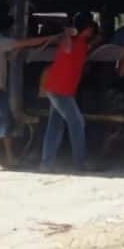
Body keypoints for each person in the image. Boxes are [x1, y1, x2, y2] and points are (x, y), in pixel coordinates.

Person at [0, 17, 57, 171]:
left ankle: (10, 158)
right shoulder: (0, 41)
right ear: (6, 30)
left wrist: (17, 50)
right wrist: (50, 38)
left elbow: (10, 56)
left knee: (5, 123)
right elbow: (28, 42)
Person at [40, 12, 99, 172]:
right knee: (77, 123)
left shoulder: (80, 43)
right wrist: (66, 31)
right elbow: (68, 46)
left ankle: (46, 163)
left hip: (58, 89)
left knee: (55, 126)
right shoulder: (71, 42)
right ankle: (80, 161)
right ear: (86, 29)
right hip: (61, 90)